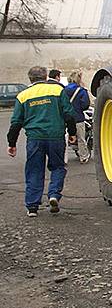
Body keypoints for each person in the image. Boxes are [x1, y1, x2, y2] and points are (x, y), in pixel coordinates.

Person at [7, 66, 77, 217]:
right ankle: (53, 195)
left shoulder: (23, 95)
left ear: (30, 79)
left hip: (34, 139)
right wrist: (72, 133)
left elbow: (16, 122)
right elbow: (69, 114)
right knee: (58, 167)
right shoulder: (58, 91)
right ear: (46, 77)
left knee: (34, 170)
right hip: (56, 137)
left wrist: (11, 143)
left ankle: (32, 207)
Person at [65, 71, 91, 163]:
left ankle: (64, 158)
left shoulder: (63, 90)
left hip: (65, 118)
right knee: (81, 138)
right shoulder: (81, 91)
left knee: (64, 138)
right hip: (78, 117)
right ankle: (83, 156)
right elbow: (85, 105)